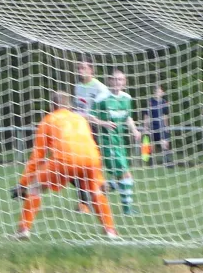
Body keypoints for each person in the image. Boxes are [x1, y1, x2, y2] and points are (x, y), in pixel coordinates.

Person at [11, 91, 118, 240]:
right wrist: (99, 179)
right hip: (91, 159)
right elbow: (88, 144)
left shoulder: (49, 120)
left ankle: (23, 229)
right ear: (69, 105)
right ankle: (110, 231)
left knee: (35, 186)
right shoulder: (79, 118)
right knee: (95, 191)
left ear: (52, 105)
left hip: (65, 158)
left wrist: (22, 184)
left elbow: (37, 157)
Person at [91, 70, 141, 215]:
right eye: (115, 79)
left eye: (120, 80)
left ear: (124, 82)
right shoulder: (102, 98)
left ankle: (94, 193)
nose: (118, 82)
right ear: (110, 81)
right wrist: (104, 123)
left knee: (120, 178)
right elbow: (89, 117)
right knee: (126, 176)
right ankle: (127, 210)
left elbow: (128, 118)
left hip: (121, 143)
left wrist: (135, 131)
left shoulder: (127, 98)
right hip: (108, 143)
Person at [72, 57, 110, 213]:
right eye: (79, 68)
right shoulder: (78, 87)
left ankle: (87, 201)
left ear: (91, 70)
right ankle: (91, 194)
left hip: (93, 131)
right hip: (78, 130)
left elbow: (105, 110)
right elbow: (77, 108)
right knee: (74, 168)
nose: (81, 70)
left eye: (83, 68)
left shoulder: (100, 88)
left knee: (86, 167)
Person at [142, 85, 174, 168]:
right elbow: (146, 116)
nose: (158, 93)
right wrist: (145, 127)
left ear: (162, 93)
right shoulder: (150, 102)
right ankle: (151, 162)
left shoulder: (164, 102)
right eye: (156, 91)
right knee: (152, 145)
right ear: (154, 92)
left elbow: (165, 115)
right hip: (152, 127)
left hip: (161, 127)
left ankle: (167, 161)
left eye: (159, 91)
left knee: (165, 143)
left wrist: (166, 127)